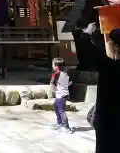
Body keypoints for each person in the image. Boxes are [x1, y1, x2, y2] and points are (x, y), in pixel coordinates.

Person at [76, 22, 120, 153]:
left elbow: (85, 48)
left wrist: (87, 32)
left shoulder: (110, 68)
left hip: (111, 130)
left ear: (117, 47)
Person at [50, 57, 73, 134]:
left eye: (53, 64)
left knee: (61, 111)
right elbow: (70, 82)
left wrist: (55, 89)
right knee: (55, 106)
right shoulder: (65, 73)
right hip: (64, 94)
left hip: (60, 95)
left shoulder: (56, 74)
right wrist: (64, 86)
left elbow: (52, 83)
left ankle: (66, 127)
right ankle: (60, 123)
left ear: (56, 66)